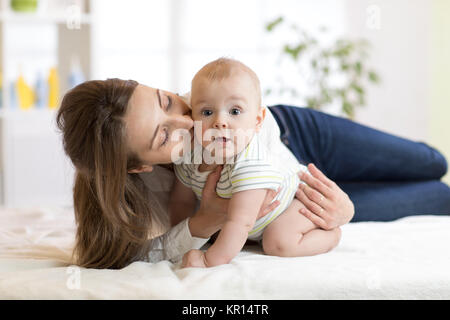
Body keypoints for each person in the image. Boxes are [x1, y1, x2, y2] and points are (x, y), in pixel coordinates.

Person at [56, 76, 449, 269]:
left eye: (167, 101)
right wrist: (202, 223)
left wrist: (344, 208)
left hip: (298, 137)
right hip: (293, 205)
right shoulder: (142, 186)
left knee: (433, 162)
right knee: (439, 196)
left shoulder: (195, 95)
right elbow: (136, 256)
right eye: (164, 135)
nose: (189, 122)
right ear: (140, 166)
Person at [171, 58, 341, 268]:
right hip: (256, 219)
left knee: (278, 242)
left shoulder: (250, 161)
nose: (220, 121)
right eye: (207, 112)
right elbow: (181, 203)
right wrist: (182, 244)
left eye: (234, 111)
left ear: (258, 120)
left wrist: (208, 260)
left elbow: (241, 222)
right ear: (192, 117)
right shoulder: (189, 155)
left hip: (296, 203)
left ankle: (331, 235)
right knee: (217, 234)